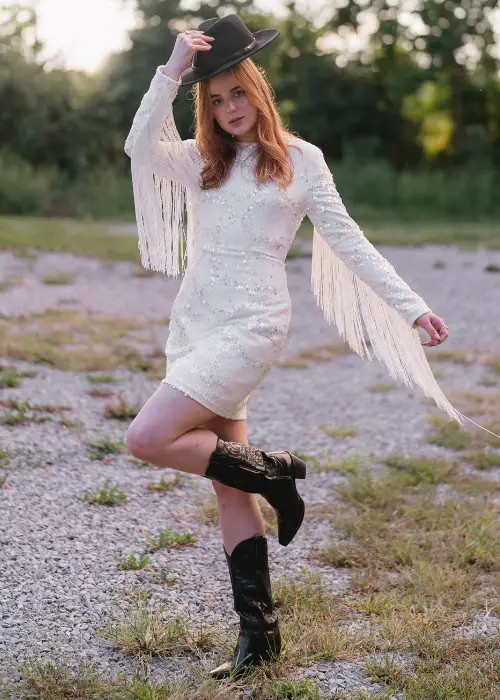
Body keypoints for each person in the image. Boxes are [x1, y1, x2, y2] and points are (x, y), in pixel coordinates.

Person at [122, 13, 459, 680]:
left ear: (258, 90)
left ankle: (275, 471)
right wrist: (171, 71)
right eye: (215, 101)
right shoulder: (204, 161)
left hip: (252, 327)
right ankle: (261, 640)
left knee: (145, 437)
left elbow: (350, 240)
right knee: (227, 486)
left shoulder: (301, 162)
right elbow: (138, 145)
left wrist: (413, 307)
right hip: (195, 325)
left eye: (237, 94)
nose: (229, 109)